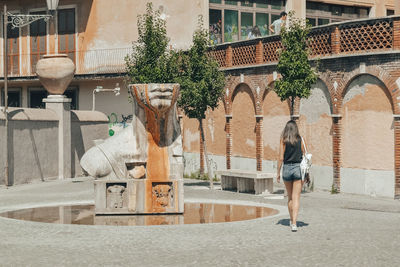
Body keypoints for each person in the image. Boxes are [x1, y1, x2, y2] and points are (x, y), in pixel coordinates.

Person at [276, 120, 308, 232]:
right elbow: (305, 156)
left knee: (290, 197)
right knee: (296, 198)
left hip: (286, 169)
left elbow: (280, 158)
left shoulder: (283, 140)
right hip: (298, 169)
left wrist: (278, 173)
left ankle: (291, 219)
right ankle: (294, 223)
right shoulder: (301, 139)